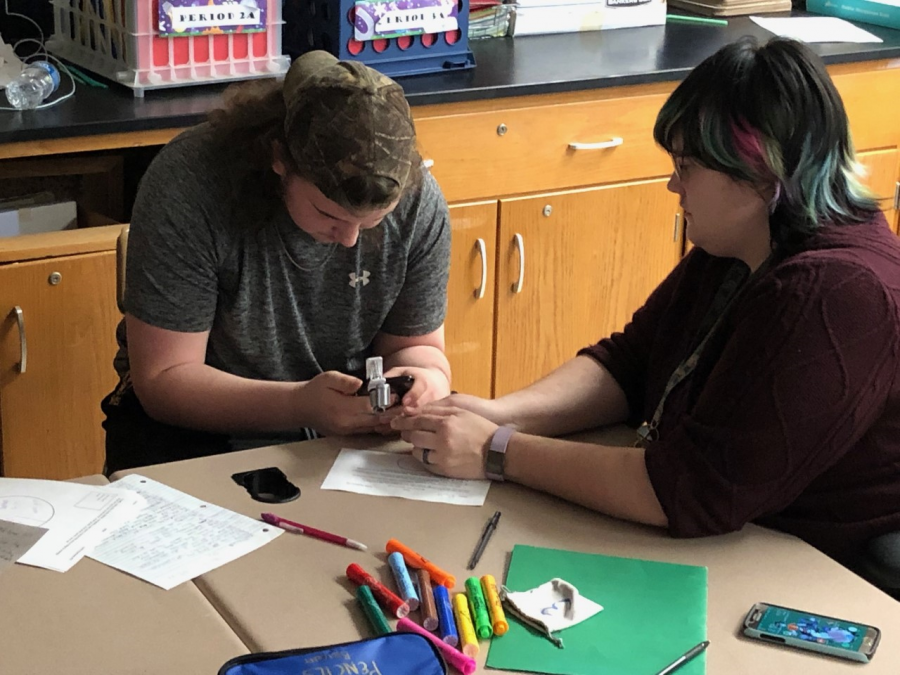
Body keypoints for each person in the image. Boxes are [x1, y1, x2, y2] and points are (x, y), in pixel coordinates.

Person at [392, 37, 900, 570]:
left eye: (687, 166)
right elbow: (631, 365)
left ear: (759, 176)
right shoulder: (743, 243)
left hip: (816, 568)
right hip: (741, 537)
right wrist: (500, 413)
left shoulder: (837, 295)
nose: (672, 184)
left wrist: (498, 449)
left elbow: (686, 490)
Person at [102, 51, 452, 474]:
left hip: (342, 429)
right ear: (279, 159)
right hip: (193, 426)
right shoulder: (190, 186)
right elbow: (164, 379)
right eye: (328, 214)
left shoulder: (418, 201)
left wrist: (425, 381)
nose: (350, 239)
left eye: (373, 221)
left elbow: (416, 347)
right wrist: (299, 404)